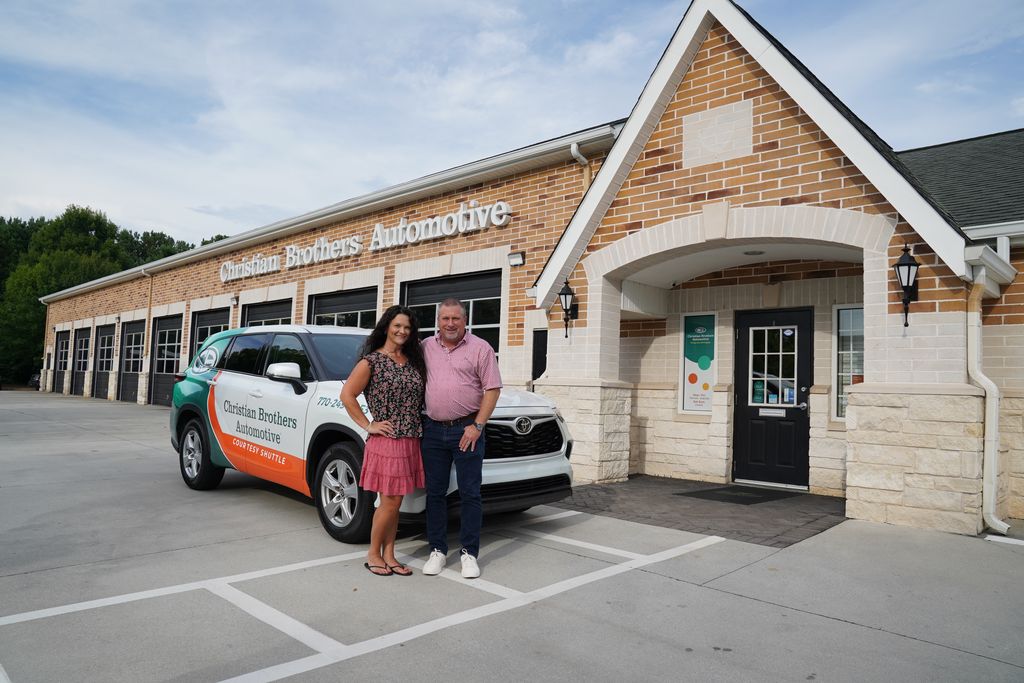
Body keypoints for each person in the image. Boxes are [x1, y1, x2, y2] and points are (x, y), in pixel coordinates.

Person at [341, 305, 427, 577]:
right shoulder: (371, 362)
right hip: (387, 440)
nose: (402, 331)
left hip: (410, 439)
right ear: (387, 327)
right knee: (389, 502)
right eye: (397, 325)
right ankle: (373, 554)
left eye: (407, 327)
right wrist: (369, 424)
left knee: (395, 503)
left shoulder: (412, 360)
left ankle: (389, 554)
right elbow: (347, 395)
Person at [420, 298, 502, 578]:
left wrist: (477, 426)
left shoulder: (481, 348)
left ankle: (469, 553)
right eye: (445, 318)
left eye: (455, 318)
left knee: (470, 493)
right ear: (438, 321)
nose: (450, 323)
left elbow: (492, 389)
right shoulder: (426, 347)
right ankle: (437, 550)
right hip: (432, 430)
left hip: (467, 430)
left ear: (465, 320)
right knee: (435, 493)